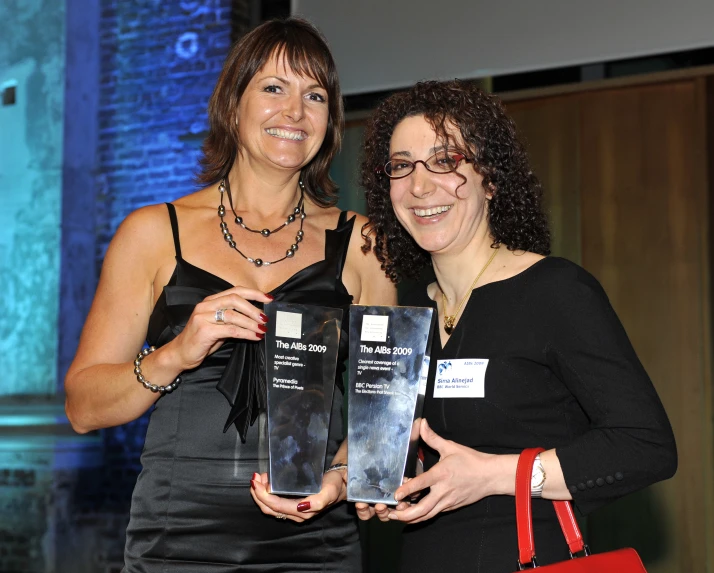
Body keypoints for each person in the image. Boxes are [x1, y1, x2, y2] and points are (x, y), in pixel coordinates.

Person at [64, 18, 395, 573]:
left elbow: (383, 419)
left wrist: (337, 484)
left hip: (314, 544)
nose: (294, 111)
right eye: (273, 88)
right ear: (231, 103)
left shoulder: (364, 244)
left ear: (329, 121)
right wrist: (177, 352)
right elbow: (82, 408)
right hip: (176, 540)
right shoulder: (151, 233)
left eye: (314, 95)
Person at [355, 79, 677, 572]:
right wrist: (368, 479)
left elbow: (646, 447)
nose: (419, 186)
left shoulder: (555, 291)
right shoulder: (405, 311)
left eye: (446, 161)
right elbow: (401, 447)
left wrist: (495, 474)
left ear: (490, 179)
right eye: (402, 166)